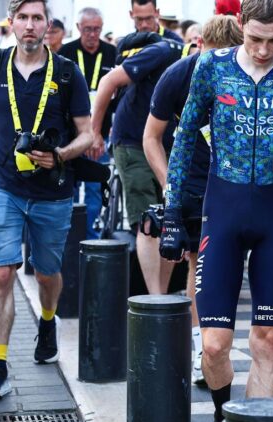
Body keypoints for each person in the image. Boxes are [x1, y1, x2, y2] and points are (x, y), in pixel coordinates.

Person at [159, 0, 273, 422]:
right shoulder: (211, 65)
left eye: (272, 41)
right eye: (254, 39)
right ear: (240, 25)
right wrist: (171, 211)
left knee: (268, 339)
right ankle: (225, 419)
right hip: (223, 209)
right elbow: (183, 138)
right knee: (216, 344)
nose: (262, 50)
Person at [0, 0, 93, 400]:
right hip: (3, 185)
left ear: (48, 25)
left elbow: (87, 134)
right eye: (23, 19)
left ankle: (48, 320)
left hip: (52, 192)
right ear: (11, 22)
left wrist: (60, 155)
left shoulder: (67, 73)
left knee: (47, 273)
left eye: (37, 19)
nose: (30, 26)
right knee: (1, 272)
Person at [143, 14, 243, 386]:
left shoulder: (246, 75)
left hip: (230, 187)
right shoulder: (178, 75)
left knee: (213, 268)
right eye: (211, 60)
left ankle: (210, 350)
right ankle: (198, 347)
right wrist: (172, 186)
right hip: (189, 184)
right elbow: (151, 137)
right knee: (194, 263)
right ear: (198, 46)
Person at [89, 0, 185, 294]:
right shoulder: (157, 49)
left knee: (170, 219)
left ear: (157, 13)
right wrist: (94, 133)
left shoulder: (176, 46)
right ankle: (154, 299)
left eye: (148, 18)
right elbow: (107, 82)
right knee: (148, 221)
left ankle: (163, 296)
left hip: (166, 144)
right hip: (133, 142)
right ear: (132, 15)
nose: (143, 24)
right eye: (139, 18)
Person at [59, 7, 117, 239]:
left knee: (94, 187)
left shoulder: (112, 53)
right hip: (71, 137)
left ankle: (89, 236)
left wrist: (99, 134)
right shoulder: (66, 53)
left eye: (97, 29)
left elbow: (116, 99)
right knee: (68, 188)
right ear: (78, 29)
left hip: (100, 136)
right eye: (87, 30)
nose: (93, 34)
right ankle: (69, 235)